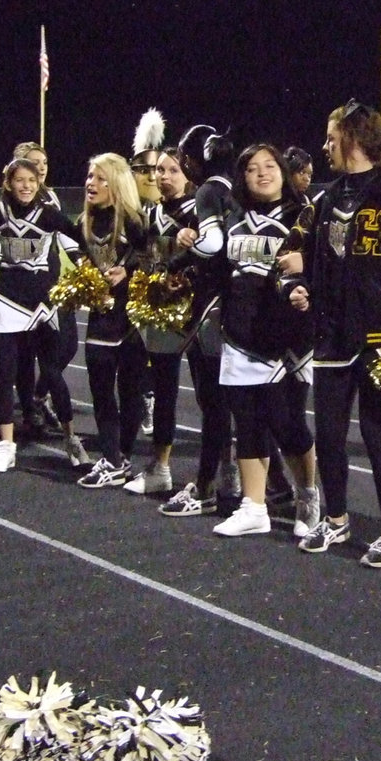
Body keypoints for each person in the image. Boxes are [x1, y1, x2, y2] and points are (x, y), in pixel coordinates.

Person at [291, 99, 381, 568]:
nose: (325, 146)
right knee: (329, 435)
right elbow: (297, 256)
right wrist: (297, 286)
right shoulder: (324, 201)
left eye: (331, 138)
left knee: (377, 435)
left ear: (351, 140)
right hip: (331, 338)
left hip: (380, 342)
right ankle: (336, 519)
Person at [210, 144, 321, 538]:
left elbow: (327, 267)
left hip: (287, 337)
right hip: (240, 333)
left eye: (270, 165)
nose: (262, 173)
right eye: (253, 168)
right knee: (247, 422)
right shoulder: (232, 217)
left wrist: (306, 286)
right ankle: (254, 506)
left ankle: (308, 494)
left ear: (283, 171)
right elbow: (219, 270)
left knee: (287, 424)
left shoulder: (304, 216)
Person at [0, 158, 89, 473]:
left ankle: (70, 438)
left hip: (43, 304)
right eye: (19, 180)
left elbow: (79, 238)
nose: (26, 186)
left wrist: (94, 267)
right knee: (5, 373)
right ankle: (6, 445)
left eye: (31, 180)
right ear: (9, 183)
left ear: (38, 183)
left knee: (52, 373)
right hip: (7, 301)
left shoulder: (49, 214)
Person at [165, 123, 242, 515]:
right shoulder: (238, 190)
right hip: (239, 304)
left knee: (213, 403)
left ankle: (207, 487)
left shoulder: (209, 191)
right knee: (235, 403)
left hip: (213, 306)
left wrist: (177, 262)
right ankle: (249, 481)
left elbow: (214, 243)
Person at [75, 153, 149, 488]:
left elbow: (153, 260)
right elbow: (82, 259)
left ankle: (123, 456)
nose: (91, 183)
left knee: (131, 393)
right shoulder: (84, 222)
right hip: (101, 316)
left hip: (132, 318)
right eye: (90, 176)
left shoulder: (134, 221)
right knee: (101, 391)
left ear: (116, 183)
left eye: (101, 178)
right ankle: (111, 458)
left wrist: (129, 272)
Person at [125, 147, 191, 497]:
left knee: (215, 398)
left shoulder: (202, 210)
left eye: (172, 170)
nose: (163, 177)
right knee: (165, 391)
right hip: (162, 312)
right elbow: (141, 256)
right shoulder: (150, 213)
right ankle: (161, 467)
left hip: (198, 314)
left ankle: (226, 469)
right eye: (159, 171)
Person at [12, 140, 75, 434]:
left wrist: (81, 259)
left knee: (68, 346)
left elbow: (62, 235)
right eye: (33, 162)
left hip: (52, 282)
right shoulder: (12, 200)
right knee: (25, 354)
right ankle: (29, 410)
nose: (40, 168)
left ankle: (39, 396)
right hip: (22, 287)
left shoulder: (50, 196)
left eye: (44, 163)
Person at [129, 109, 167, 437]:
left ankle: (153, 398)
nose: (152, 176)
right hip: (135, 288)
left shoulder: (177, 204)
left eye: (156, 169)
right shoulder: (128, 208)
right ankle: (145, 398)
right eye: (144, 170)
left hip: (168, 289)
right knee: (138, 353)